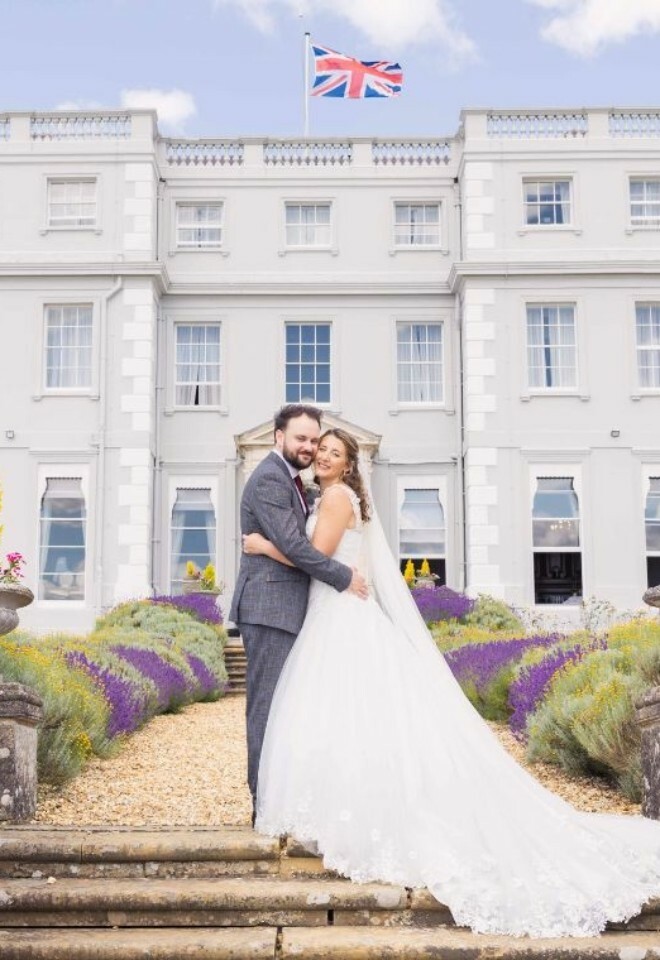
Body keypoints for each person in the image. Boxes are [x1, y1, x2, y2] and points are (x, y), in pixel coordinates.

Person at [242, 426, 660, 939]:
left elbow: (318, 558)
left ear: (349, 463)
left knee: (339, 709)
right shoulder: (342, 495)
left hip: (338, 615)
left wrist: (263, 544)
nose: (323, 456)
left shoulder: (332, 496)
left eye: (333, 451)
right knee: (358, 716)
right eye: (320, 450)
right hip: (338, 611)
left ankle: (347, 811)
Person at [229, 405, 368, 827]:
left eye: (317, 441)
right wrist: (344, 577)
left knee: (293, 710)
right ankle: (264, 808)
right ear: (278, 437)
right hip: (271, 609)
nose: (311, 449)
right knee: (268, 711)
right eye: (303, 440)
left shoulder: (305, 487)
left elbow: (296, 545)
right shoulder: (271, 477)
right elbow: (296, 546)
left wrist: (262, 546)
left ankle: (291, 803)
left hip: (295, 609)